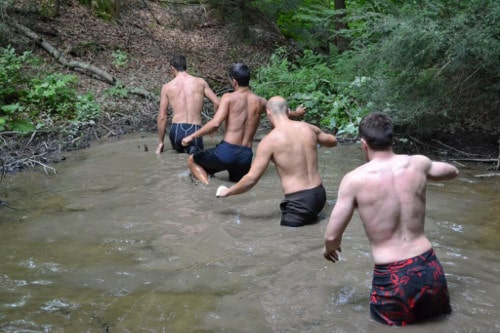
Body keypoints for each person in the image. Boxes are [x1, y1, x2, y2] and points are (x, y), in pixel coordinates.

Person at [323, 112, 458, 326]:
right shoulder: (418, 164)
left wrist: (330, 249)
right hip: (430, 268)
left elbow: (332, 235)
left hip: (393, 278)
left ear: (363, 144)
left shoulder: (354, 180)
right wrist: (425, 173)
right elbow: (452, 171)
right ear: (391, 139)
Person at [217, 96, 337, 227]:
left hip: (299, 201)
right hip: (319, 195)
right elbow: (332, 141)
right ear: (288, 110)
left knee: (287, 242)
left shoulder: (269, 141)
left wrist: (228, 191)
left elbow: (251, 179)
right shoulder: (308, 128)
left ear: (268, 112)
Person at [181, 63, 305, 184]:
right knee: (235, 183)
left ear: (234, 81)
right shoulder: (260, 102)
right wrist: (297, 113)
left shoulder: (228, 98)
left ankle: (207, 188)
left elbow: (215, 123)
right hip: (245, 156)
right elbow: (278, 112)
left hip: (227, 151)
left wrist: (191, 136)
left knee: (192, 160)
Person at [155, 54, 219, 155]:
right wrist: (214, 127)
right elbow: (217, 102)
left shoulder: (167, 87)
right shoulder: (200, 82)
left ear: (172, 68)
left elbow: (162, 116)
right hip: (195, 130)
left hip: (177, 131)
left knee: (179, 155)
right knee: (194, 156)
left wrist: (160, 142)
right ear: (185, 66)